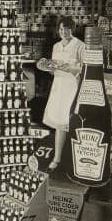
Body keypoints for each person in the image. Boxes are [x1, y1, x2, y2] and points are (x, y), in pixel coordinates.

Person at [37, 16, 85, 171]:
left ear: (73, 29)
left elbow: (85, 69)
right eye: (61, 29)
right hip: (58, 87)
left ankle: (74, 161)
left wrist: (69, 68)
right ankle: (57, 159)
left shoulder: (80, 46)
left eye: (67, 29)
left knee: (72, 123)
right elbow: (53, 70)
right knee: (59, 124)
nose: (63, 32)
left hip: (72, 87)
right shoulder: (56, 46)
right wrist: (48, 67)